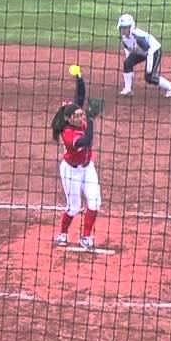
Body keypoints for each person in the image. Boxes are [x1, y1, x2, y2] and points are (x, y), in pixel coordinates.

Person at [50, 65, 103, 251]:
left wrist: (79, 77)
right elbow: (87, 141)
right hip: (70, 171)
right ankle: (63, 234)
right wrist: (91, 120)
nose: (82, 117)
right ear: (69, 119)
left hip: (88, 168)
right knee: (74, 206)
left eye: (82, 115)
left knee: (94, 202)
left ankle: (86, 237)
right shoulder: (68, 134)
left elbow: (80, 97)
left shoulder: (76, 116)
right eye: (78, 116)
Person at [116, 13, 171, 98]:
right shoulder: (124, 38)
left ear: (130, 27)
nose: (123, 30)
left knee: (149, 77)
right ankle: (128, 89)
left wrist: (149, 69)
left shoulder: (138, 38)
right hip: (141, 51)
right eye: (122, 27)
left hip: (154, 51)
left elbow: (149, 52)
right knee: (127, 63)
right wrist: (129, 65)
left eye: (125, 27)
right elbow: (128, 50)